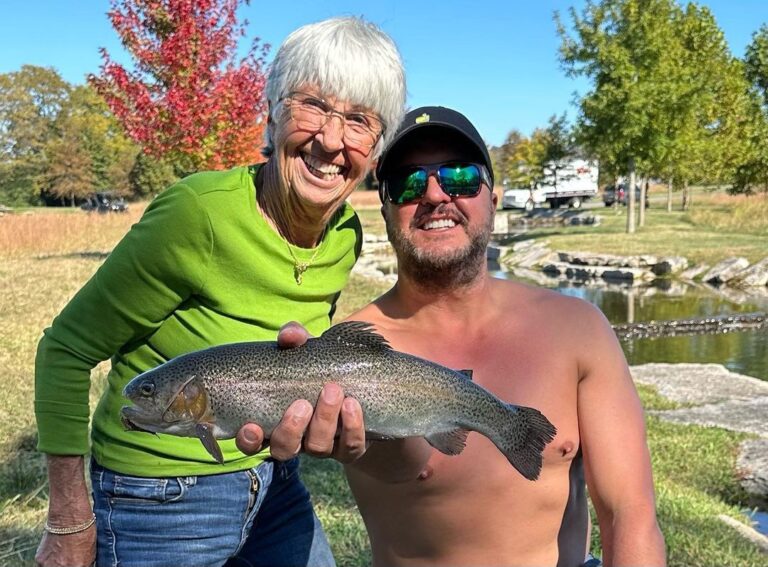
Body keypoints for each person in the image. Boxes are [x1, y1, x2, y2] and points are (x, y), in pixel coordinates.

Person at [34, 16, 405, 567]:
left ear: (375, 149)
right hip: (159, 497)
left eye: (357, 121)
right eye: (312, 106)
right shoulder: (196, 214)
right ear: (273, 114)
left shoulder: (345, 235)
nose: (330, 140)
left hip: (274, 482)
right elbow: (64, 351)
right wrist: (67, 519)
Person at [238, 107, 666, 566]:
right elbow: (401, 467)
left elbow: (630, 512)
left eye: (460, 177)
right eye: (407, 183)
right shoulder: (344, 354)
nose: (436, 194)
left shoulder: (578, 327)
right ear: (384, 208)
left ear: (494, 199)